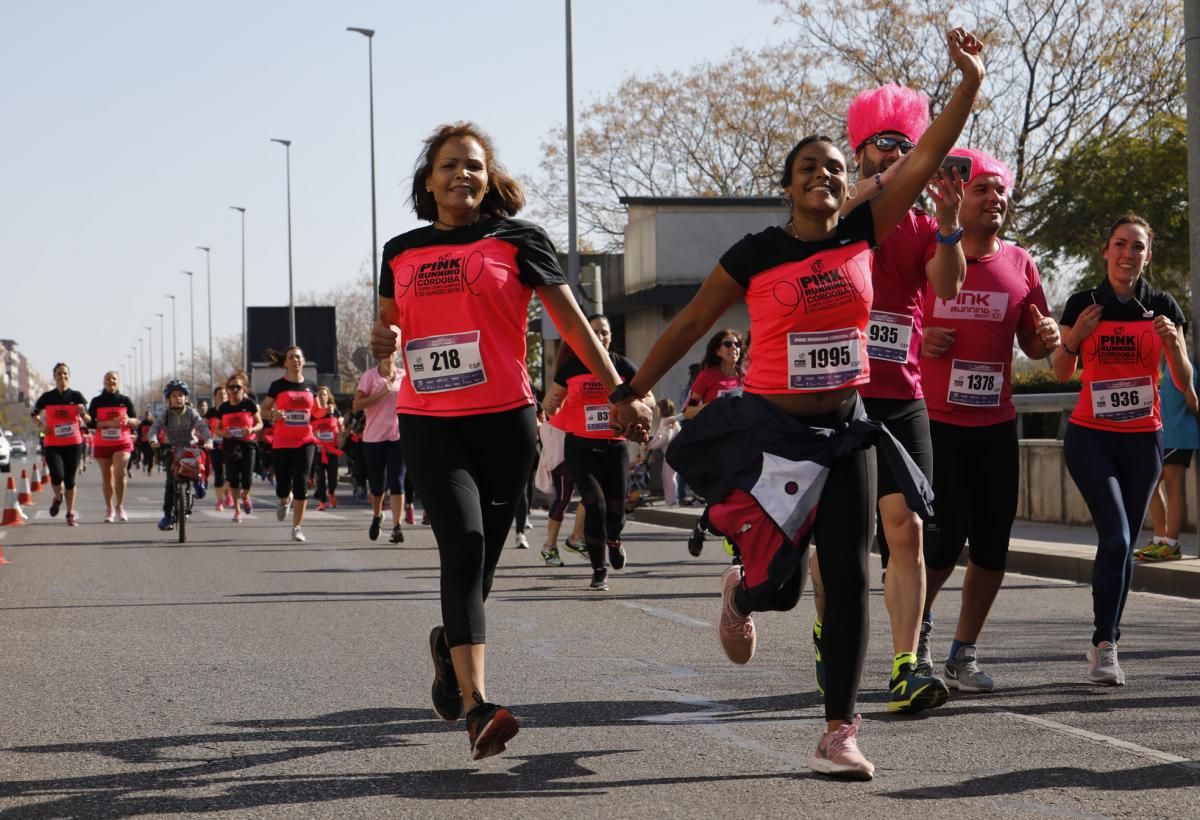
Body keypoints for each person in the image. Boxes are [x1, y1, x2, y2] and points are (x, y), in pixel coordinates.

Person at [610, 29, 984, 780]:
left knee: (848, 575)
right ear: (788, 185)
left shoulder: (865, 231)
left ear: (851, 185)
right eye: (808, 167)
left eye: (835, 167)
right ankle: (741, 590)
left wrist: (967, 83)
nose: (823, 174)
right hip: (774, 434)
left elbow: (922, 155)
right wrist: (632, 389)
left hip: (846, 432)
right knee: (780, 587)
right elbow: (688, 325)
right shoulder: (754, 254)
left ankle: (838, 732)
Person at [371, 122, 652, 761]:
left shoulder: (518, 241)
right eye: (448, 166)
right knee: (463, 547)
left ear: (488, 176)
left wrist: (617, 390)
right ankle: (477, 707)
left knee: (484, 563)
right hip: (429, 422)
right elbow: (387, 328)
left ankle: (448, 649)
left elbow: (572, 324)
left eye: (473, 165)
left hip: (505, 423)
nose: (460, 175)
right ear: (428, 180)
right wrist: (382, 344)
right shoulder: (400, 250)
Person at [807, 82, 966, 715]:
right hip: (837, 399)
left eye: (907, 145)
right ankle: (830, 633)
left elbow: (948, 287)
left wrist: (951, 224)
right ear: (859, 152)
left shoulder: (926, 225)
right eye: (883, 146)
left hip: (901, 397)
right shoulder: (838, 214)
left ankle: (908, 664)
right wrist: (874, 186)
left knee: (907, 531)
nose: (895, 155)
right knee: (839, 543)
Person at [918, 147, 1060, 694]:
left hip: (995, 421)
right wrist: (919, 338)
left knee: (994, 545)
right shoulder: (928, 251)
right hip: (934, 420)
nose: (994, 199)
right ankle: (918, 637)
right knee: (947, 534)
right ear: (958, 195)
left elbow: (1032, 336)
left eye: (1001, 192)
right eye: (983, 189)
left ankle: (964, 651)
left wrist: (1045, 338)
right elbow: (890, 317)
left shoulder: (1021, 262)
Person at [1052, 214, 1196, 684]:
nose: (1127, 254)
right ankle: (1104, 642)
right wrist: (1073, 336)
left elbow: (1183, 381)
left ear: (1146, 256)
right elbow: (1059, 370)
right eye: (1119, 244)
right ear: (1105, 251)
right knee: (1114, 537)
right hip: (1090, 437)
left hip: (1143, 440)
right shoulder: (1083, 302)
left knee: (1125, 544)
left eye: (1137, 247)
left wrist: (1174, 346)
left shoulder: (1161, 306)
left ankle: (1108, 642)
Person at [543, 314, 650, 590]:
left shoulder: (621, 367)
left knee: (616, 510)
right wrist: (551, 403)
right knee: (595, 504)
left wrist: (639, 405)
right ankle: (598, 570)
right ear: (585, 337)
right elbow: (551, 401)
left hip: (615, 446)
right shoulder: (570, 368)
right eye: (594, 332)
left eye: (604, 332)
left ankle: (614, 541)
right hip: (580, 445)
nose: (600, 337)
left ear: (611, 336)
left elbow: (647, 396)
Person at [1139, 344, 1200, 562]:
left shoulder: (1184, 364)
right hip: (1167, 434)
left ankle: (1171, 543)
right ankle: (1160, 539)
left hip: (1180, 435)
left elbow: (1193, 400)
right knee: (1151, 482)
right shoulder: (1170, 363)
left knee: (1173, 487)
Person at [259, 347, 319, 543]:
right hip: (282, 441)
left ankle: (297, 527)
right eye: (291, 357)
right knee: (283, 485)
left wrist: (327, 410)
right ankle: (285, 500)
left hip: (305, 440)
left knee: (301, 483)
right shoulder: (277, 386)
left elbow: (318, 412)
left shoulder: (311, 386)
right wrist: (273, 414)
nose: (295, 360)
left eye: (298, 357)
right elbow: (264, 410)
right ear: (285, 363)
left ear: (304, 361)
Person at [352, 352, 407, 543]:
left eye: (391, 351)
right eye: (384, 352)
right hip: (374, 437)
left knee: (397, 482)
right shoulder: (369, 376)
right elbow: (356, 405)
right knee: (377, 485)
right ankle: (377, 516)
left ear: (396, 353)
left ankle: (397, 527)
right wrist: (382, 393)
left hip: (398, 436)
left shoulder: (404, 375)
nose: (388, 355)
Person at [31, 363, 90, 526]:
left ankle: (70, 513)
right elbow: (34, 414)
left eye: (65, 374)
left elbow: (89, 420)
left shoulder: (77, 396)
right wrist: (41, 426)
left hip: (74, 443)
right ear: (54, 377)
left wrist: (83, 412)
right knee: (57, 476)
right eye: (58, 374)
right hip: (53, 443)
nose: (62, 376)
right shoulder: (47, 397)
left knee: (70, 480)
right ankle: (58, 497)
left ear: (69, 377)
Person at [149, 380, 213, 530]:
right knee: (171, 483)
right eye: (174, 396)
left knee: (198, 460)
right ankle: (167, 515)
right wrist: (153, 441)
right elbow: (154, 428)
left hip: (190, 447)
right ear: (168, 399)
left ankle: (198, 482)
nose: (177, 398)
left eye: (180, 395)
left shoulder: (191, 412)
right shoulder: (165, 414)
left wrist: (208, 439)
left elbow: (202, 426)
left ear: (186, 398)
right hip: (171, 449)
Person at [533, 404, 588, 566]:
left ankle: (575, 538)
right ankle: (550, 546)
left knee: (591, 494)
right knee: (563, 500)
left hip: (576, 456)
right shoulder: (552, 421)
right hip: (563, 462)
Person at [87, 370, 138, 523]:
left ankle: (120, 506)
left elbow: (136, 421)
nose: (111, 381)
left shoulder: (125, 400)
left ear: (118, 381)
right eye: (108, 379)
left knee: (120, 471)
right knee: (107, 476)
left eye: (114, 379)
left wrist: (129, 421)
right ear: (104, 382)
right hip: (103, 443)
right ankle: (109, 509)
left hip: (122, 441)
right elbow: (90, 423)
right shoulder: (97, 401)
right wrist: (107, 424)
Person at [217, 372, 263, 523]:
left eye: (238, 387)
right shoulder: (223, 407)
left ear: (244, 389)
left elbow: (259, 423)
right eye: (231, 387)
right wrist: (224, 432)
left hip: (248, 443)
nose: (234, 390)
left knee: (247, 479)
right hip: (230, 444)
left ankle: (245, 495)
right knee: (233, 479)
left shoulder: (249, 404)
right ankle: (237, 511)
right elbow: (217, 429)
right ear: (228, 390)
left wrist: (251, 429)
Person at [682, 329, 745, 419]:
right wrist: (715, 406)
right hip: (715, 431)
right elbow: (687, 412)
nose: (734, 347)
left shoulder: (746, 376)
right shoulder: (707, 375)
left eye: (737, 344)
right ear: (717, 351)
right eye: (728, 344)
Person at [311, 386, 344, 512]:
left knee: (333, 476)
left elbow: (340, 423)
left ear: (328, 396)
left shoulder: (333, 409)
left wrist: (341, 429)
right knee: (320, 476)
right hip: (319, 449)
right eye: (319, 395)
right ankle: (323, 502)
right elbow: (309, 427)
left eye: (324, 395)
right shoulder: (314, 412)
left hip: (332, 448)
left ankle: (331, 493)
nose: (322, 397)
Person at [646, 399, 681, 505]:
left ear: (663, 409)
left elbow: (665, 438)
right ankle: (670, 500)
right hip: (670, 453)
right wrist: (650, 445)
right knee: (666, 476)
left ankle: (672, 501)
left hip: (673, 453)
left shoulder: (668, 421)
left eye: (658, 408)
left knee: (669, 476)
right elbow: (658, 435)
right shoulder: (665, 420)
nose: (657, 411)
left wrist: (652, 447)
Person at [205, 386, 233, 512]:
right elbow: (202, 425)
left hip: (230, 443)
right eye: (220, 394)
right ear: (215, 397)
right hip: (215, 444)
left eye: (224, 394)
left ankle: (228, 492)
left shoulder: (231, 409)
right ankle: (219, 500)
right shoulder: (211, 412)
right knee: (218, 474)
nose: (222, 396)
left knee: (231, 473)